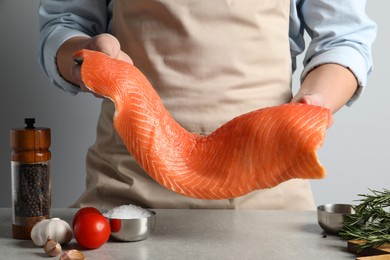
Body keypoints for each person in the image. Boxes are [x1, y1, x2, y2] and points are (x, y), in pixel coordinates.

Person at [38, 0, 376, 210]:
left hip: (266, 192)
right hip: (129, 187)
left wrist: (314, 104)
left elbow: (344, 38)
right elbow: (65, 23)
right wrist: (89, 58)